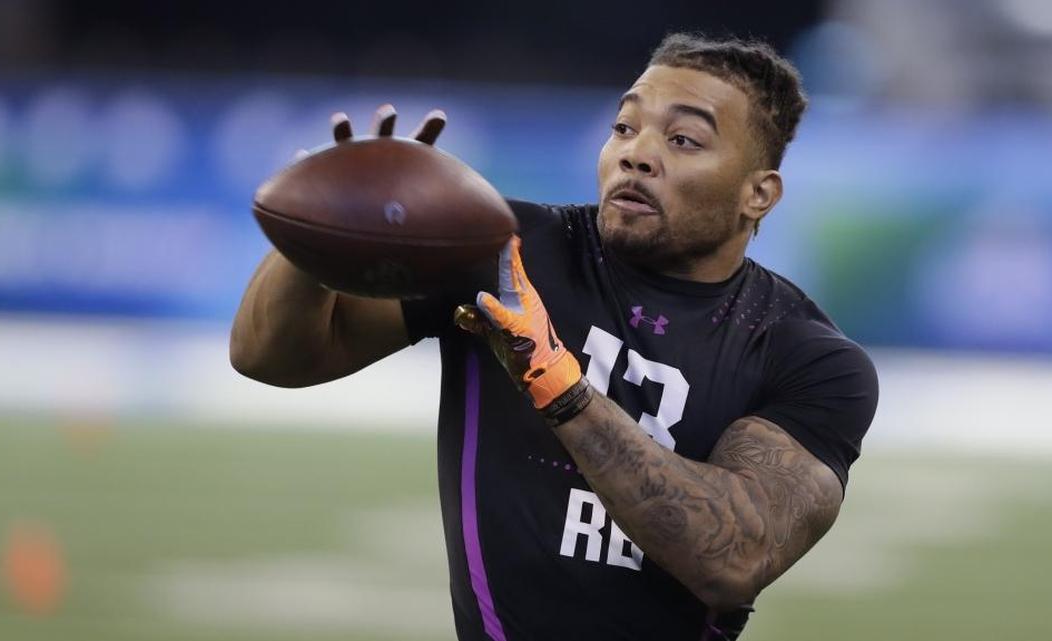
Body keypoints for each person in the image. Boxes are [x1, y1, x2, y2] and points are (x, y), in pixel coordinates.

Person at [230, 32, 879, 641]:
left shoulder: (807, 356)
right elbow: (271, 356)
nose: (636, 151)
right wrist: (321, 239)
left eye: (682, 139)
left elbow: (732, 557)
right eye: (624, 126)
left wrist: (557, 383)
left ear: (758, 194)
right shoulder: (503, 249)